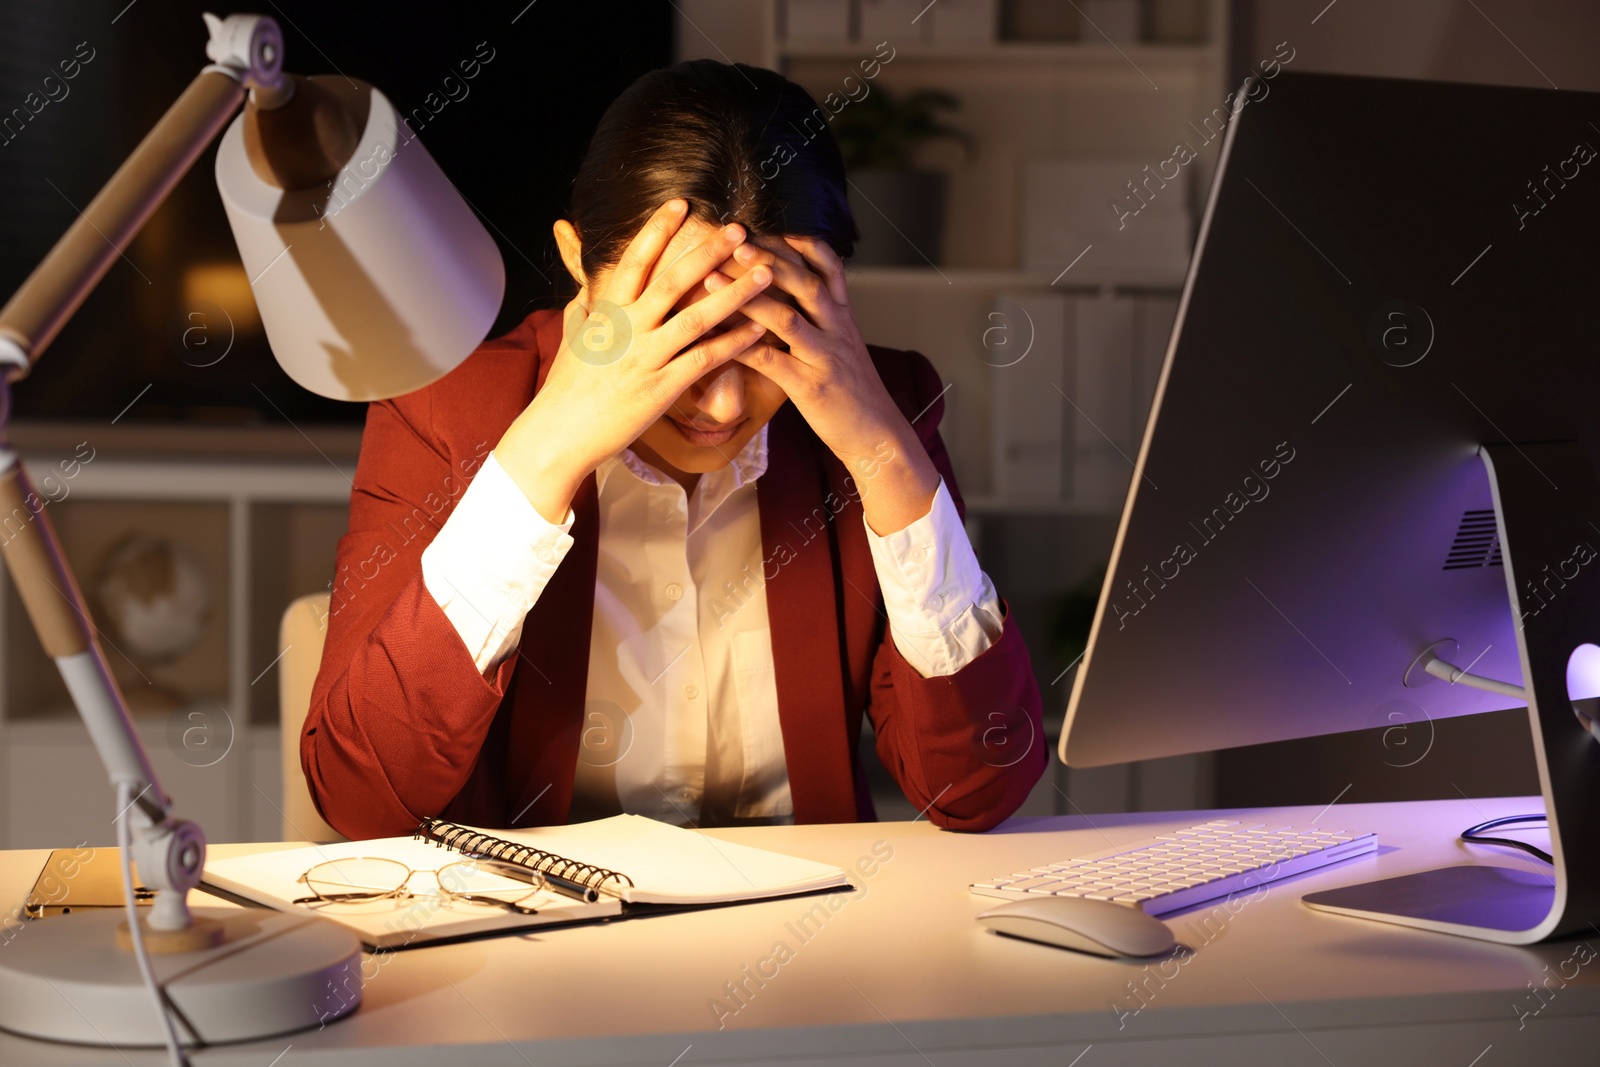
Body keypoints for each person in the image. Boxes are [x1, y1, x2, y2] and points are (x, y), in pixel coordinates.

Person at [303, 59, 1045, 840]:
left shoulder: (874, 412)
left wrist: (884, 455)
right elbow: (362, 798)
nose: (722, 406)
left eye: (764, 339)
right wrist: (545, 456)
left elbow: (976, 788)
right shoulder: (444, 409)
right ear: (576, 261)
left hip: (809, 938)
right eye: (678, 332)